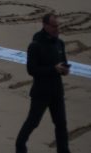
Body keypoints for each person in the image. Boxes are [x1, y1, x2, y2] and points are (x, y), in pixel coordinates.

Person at [15, 13, 71, 153]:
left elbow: (63, 62)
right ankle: (20, 147)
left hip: (57, 91)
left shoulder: (60, 43)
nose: (56, 29)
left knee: (61, 124)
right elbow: (32, 70)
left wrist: (64, 70)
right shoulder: (35, 45)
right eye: (53, 26)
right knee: (33, 122)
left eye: (57, 26)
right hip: (41, 92)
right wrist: (53, 69)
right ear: (45, 25)